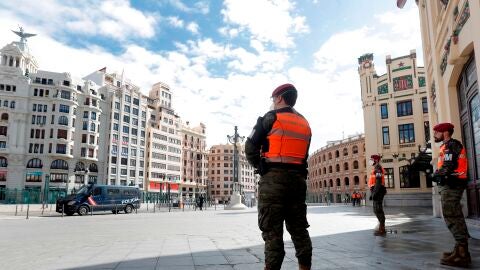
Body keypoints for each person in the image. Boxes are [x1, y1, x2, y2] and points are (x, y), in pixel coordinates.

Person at [245, 83, 312, 270]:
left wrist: (261, 166)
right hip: (298, 182)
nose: (273, 103)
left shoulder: (270, 118)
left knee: (272, 233)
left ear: (280, 98)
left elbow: (250, 147)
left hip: (273, 181)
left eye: (274, 99)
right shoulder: (305, 123)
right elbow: (304, 155)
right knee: (299, 230)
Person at [432, 122, 471, 267]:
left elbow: (448, 166)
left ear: (445, 132)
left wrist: (435, 175)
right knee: (454, 216)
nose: (435, 134)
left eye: (437, 132)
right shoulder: (446, 146)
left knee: (452, 216)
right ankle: (459, 249)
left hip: (453, 184)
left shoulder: (451, 145)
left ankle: (462, 254)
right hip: (450, 184)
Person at [368, 154, 386, 236]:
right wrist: (372, 193)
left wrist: (374, 192)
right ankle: (381, 227)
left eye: (372, 159)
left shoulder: (378, 168)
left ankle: (382, 228)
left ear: (376, 160)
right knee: (376, 209)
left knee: (378, 209)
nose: (371, 161)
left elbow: (378, 182)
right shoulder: (376, 168)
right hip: (376, 190)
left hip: (378, 191)